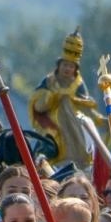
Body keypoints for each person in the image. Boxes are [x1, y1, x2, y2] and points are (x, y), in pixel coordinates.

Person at [30, 29, 98, 170]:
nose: (67, 69)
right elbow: (38, 101)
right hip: (52, 122)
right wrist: (53, 96)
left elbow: (86, 102)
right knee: (47, 143)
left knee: (80, 148)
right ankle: (41, 162)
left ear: (75, 69)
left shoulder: (78, 83)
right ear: (59, 65)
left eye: (71, 66)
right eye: (65, 65)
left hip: (73, 124)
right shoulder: (49, 81)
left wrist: (78, 100)